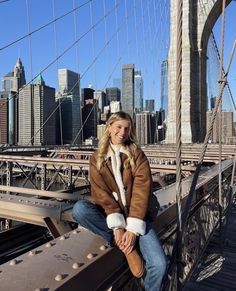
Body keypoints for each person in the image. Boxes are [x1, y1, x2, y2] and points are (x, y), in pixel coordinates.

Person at [72, 111, 167, 291]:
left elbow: (141, 192)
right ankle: (123, 244)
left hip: (138, 216)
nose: (122, 132)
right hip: (111, 215)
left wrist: (132, 230)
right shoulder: (96, 158)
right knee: (79, 209)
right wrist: (118, 227)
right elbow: (101, 194)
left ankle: (123, 242)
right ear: (109, 128)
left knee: (160, 264)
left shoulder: (136, 154)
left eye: (126, 128)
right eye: (118, 127)